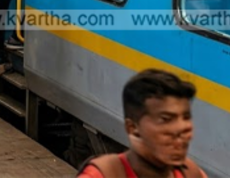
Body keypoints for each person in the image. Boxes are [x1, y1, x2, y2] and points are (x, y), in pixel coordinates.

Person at [77, 69, 205, 178]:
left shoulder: (191, 173)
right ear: (132, 128)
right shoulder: (102, 175)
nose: (182, 128)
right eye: (166, 119)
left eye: (186, 117)